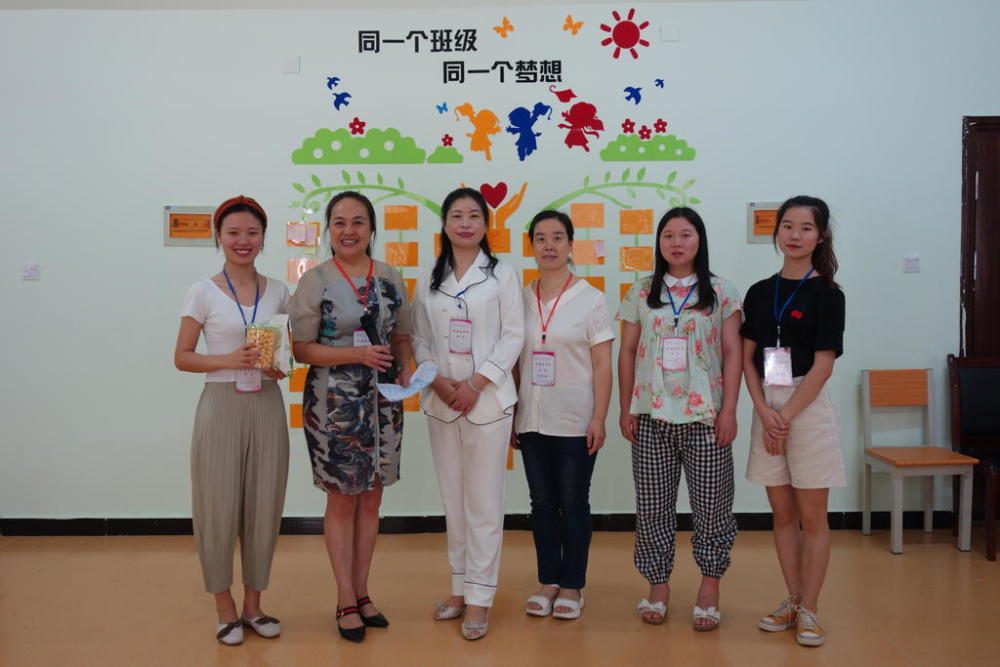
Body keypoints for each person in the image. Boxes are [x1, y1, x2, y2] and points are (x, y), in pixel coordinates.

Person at [289, 191, 413, 643]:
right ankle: (344, 598)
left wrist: (409, 372)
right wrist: (356, 354)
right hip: (334, 406)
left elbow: (402, 337)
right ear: (329, 229)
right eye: (339, 222)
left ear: (371, 228)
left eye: (358, 221)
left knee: (373, 498)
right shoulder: (316, 280)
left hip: (383, 403)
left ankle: (363, 592)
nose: (348, 230)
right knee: (342, 499)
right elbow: (302, 350)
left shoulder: (390, 277)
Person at [617, 207, 742, 631]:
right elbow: (627, 352)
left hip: (706, 417)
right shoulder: (641, 291)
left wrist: (729, 410)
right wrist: (626, 407)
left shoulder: (722, 292)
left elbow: (733, 353)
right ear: (659, 242)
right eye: (668, 235)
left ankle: (710, 587)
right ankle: (658, 587)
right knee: (653, 508)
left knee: (712, 508)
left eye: (685, 234)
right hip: (651, 415)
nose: (676, 242)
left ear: (699, 240)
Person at [174, 195, 290, 646]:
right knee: (217, 506)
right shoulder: (202, 291)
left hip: (266, 402)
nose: (243, 240)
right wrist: (227, 359)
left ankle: (254, 606)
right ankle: (224, 609)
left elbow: (283, 353)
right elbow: (182, 357)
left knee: (265, 504)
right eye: (234, 232)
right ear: (218, 237)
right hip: (220, 404)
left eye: (252, 232)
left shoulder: (278, 290)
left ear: (263, 238)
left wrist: (277, 367)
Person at [411, 187, 525, 640]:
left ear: (485, 225)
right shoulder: (428, 278)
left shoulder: (502, 275)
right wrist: (438, 380)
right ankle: (459, 589)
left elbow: (514, 335)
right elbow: (418, 339)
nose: (464, 223)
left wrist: (477, 383)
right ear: (444, 224)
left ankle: (480, 598)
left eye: (473, 215)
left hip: (488, 403)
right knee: (453, 501)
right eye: (456, 215)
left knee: (484, 504)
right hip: (442, 402)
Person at [741, 195, 845, 648]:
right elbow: (746, 358)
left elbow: (824, 365)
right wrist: (765, 411)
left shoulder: (829, 294)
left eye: (806, 227)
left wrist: (784, 416)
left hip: (807, 405)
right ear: (776, 231)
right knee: (782, 516)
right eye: (787, 226)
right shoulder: (759, 292)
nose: (795, 235)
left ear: (820, 236)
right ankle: (793, 598)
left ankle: (812, 609)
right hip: (767, 403)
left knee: (812, 517)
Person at [513, 210, 614, 621]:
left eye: (557, 237)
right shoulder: (520, 298)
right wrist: (513, 413)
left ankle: (572, 585)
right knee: (541, 504)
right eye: (540, 238)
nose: (549, 246)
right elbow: (514, 360)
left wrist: (599, 418)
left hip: (576, 419)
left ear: (571, 245)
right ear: (531, 246)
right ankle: (548, 582)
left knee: (573, 503)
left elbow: (603, 365)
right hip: (532, 418)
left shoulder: (591, 299)